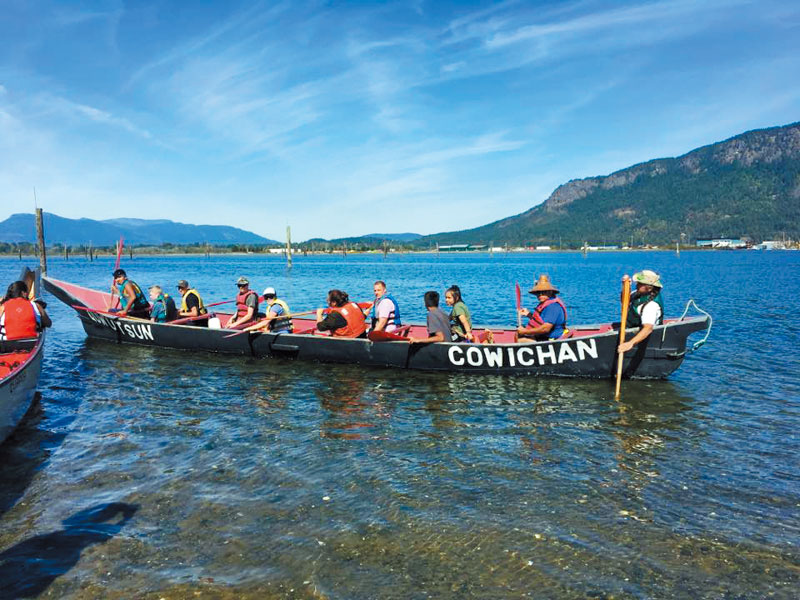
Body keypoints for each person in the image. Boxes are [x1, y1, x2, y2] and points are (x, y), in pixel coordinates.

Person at [618, 270, 664, 354]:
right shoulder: (639, 293)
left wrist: (630, 343)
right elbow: (624, 301)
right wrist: (626, 287)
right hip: (631, 327)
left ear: (649, 288)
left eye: (639, 284)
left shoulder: (651, 306)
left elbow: (648, 329)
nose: (637, 285)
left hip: (642, 337)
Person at [516, 275, 569, 342]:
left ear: (550, 292)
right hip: (543, 336)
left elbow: (545, 329)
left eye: (544, 292)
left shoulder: (552, 307)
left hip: (551, 339)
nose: (540, 294)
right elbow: (541, 321)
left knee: (521, 338)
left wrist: (525, 331)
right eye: (538, 292)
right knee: (518, 334)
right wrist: (528, 314)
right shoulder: (546, 303)